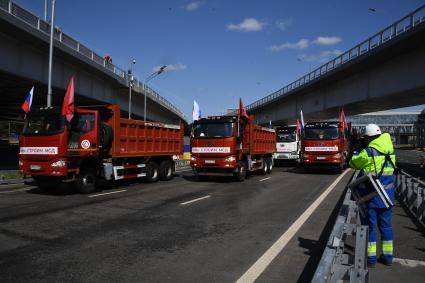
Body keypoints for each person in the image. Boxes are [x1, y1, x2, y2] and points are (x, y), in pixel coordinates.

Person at [349, 123, 396, 267]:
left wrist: (357, 151)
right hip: (387, 196)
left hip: (372, 195)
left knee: (370, 227)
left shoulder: (369, 151)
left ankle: (371, 259)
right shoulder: (390, 149)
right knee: (386, 227)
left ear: (368, 137)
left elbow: (353, 163)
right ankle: (388, 258)